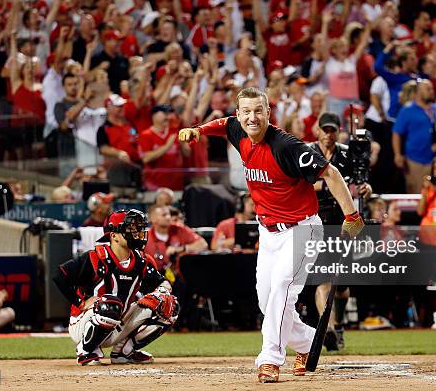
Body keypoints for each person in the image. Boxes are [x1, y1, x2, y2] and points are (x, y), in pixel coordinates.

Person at [178, 87, 364, 382]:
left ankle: (270, 359)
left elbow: (330, 173)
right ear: (239, 114)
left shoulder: (287, 146)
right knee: (267, 302)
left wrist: (351, 215)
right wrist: (198, 130)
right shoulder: (237, 129)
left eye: (258, 111)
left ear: (268, 113)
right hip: (269, 233)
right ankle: (307, 343)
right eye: (246, 111)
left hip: (302, 230)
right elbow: (223, 124)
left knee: (280, 289)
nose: (252, 117)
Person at [53, 209, 178, 365]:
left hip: (118, 322)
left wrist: (160, 294)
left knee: (169, 305)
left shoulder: (142, 260)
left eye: (138, 228)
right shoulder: (95, 257)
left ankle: (124, 352)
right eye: (131, 229)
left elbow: (163, 283)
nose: (137, 233)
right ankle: (86, 350)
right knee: (111, 303)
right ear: (114, 236)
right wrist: (80, 302)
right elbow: (59, 276)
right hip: (85, 323)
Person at [307, 111, 372, 351]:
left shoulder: (347, 153)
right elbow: (300, 183)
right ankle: (329, 330)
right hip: (317, 222)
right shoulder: (308, 152)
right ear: (318, 130)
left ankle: (339, 323)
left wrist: (366, 188)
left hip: (345, 221)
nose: (329, 134)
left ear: (338, 131)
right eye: (325, 129)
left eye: (333, 130)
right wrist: (333, 182)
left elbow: (361, 179)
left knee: (343, 286)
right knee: (323, 278)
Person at [393, 79, 436, 193]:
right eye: (428, 89)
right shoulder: (407, 110)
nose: (432, 91)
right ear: (418, 92)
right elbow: (397, 133)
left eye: (432, 89)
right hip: (415, 160)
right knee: (418, 194)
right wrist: (397, 154)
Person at [144, 204, 208, 272]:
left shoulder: (180, 229)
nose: (168, 217)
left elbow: (203, 244)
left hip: (180, 276)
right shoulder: (145, 237)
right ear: (153, 219)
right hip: (155, 277)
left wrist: (181, 249)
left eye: (169, 214)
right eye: (164, 215)